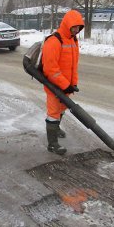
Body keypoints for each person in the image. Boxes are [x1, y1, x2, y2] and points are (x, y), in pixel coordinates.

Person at [41, 10, 84, 155]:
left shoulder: (73, 40)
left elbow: (73, 66)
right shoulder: (54, 41)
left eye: (79, 27)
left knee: (61, 110)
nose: (76, 30)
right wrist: (65, 85)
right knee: (53, 113)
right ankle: (52, 144)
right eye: (74, 26)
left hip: (66, 87)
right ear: (67, 24)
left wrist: (74, 83)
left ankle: (56, 129)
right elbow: (50, 69)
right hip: (54, 87)